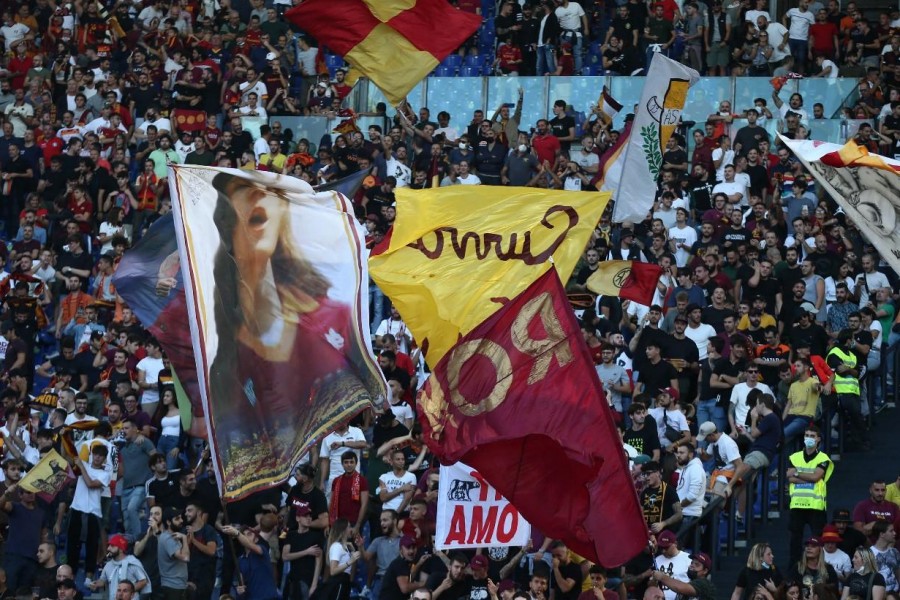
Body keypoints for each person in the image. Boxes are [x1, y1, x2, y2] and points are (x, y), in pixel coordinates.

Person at [207, 171, 379, 485]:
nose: (256, 196)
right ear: (226, 228)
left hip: (319, 474)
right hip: (268, 481)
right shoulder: (220, 344)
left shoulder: (334, 315)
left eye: (264, 190)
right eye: (243, 193)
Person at [787, 425, 833, 569]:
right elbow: (790, 477)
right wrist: (808, 476)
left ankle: (817, 568)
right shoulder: (794, 457)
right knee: (795, 541)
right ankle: (795, 569)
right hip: (797, 504)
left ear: (818, 439)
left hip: (816, 506)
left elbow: (816, 477)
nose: (809, 438)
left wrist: (797, 472)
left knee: (816, 541)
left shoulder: (823, 458)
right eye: (806, 435)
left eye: (812, 436)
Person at [91, 534, 151, 599]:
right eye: (109, 546)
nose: (108, 548)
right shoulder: (108, 565)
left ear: (121, 549)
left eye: (112, 546)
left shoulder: (132, 562)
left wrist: (128, 591)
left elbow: (143, 581)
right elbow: (103, 581)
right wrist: (96, 584)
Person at [283, 505, 324, 600]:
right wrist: (306, 552)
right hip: (293, 580)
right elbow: (285, 556)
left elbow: (319, 562)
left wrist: (314, 585)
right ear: (298, 518)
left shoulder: (316, 536)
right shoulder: (291, 535)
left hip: (308, 580)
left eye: (310, 516)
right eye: (306, 516)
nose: (309, 518)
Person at [674, 444, 707, 543]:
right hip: (683, 514)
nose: (678, 455)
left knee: (678, 548)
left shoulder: (695, 468)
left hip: (689, 515)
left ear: (691, 454)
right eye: (678, 452)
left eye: (682, 453)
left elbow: (692, 496)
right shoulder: (686, 468)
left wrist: (677, 506)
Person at [651, 551, 716, 600]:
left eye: (697, 564)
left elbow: (679, 588)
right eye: (692, 563)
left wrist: (662, 577)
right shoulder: (690, 583)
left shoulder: (704, 583)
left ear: (705, 571)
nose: (692, 565)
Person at [158, 507, 190, 599]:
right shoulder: (168, 538)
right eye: (177, 519)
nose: (181, 520)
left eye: (181, 517)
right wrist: (184, 539)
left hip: (176, 585)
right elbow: (185, 558)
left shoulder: (173, 536)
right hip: (173, 588)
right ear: (168, 522)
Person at [654, 530, 690, 600]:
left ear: (675, 544)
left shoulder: (688, 559)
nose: (663, 551)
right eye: (661, 547)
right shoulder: (657, 560)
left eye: (666, 547)